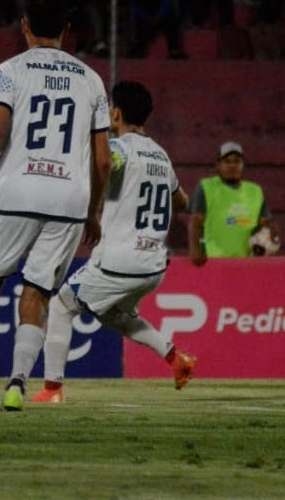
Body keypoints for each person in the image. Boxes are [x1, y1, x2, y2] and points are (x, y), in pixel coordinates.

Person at [0, 0, 111, 412]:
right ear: (67, 31)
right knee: (36, 291)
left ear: (24, 26)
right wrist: (93, 211)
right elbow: (104, 158)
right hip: (70, 200)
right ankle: (19, 380)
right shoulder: (91, 79)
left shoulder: (7, 72)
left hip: (17, 191)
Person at [33, 81, 198, 404]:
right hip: (152, 266)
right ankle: (177, 359)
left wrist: (93, 203)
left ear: (117, 113)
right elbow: (183, 200)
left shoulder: (120, 147)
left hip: (120, 261)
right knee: (114, 316)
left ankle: (52, 390)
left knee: (61, 305)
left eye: (110, 107)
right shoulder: (161, 156)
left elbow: (107, 162)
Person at [188, 142, 280, 263]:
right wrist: (195, 250)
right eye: (227, 161)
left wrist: (271, 232)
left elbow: (265, 223)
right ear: (218, 166)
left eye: (237, 161)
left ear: (243, 165)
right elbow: (195, 222)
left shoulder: (255, 191)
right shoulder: (206, 187)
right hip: (215, 262)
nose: (232, 165)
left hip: (248, 264)